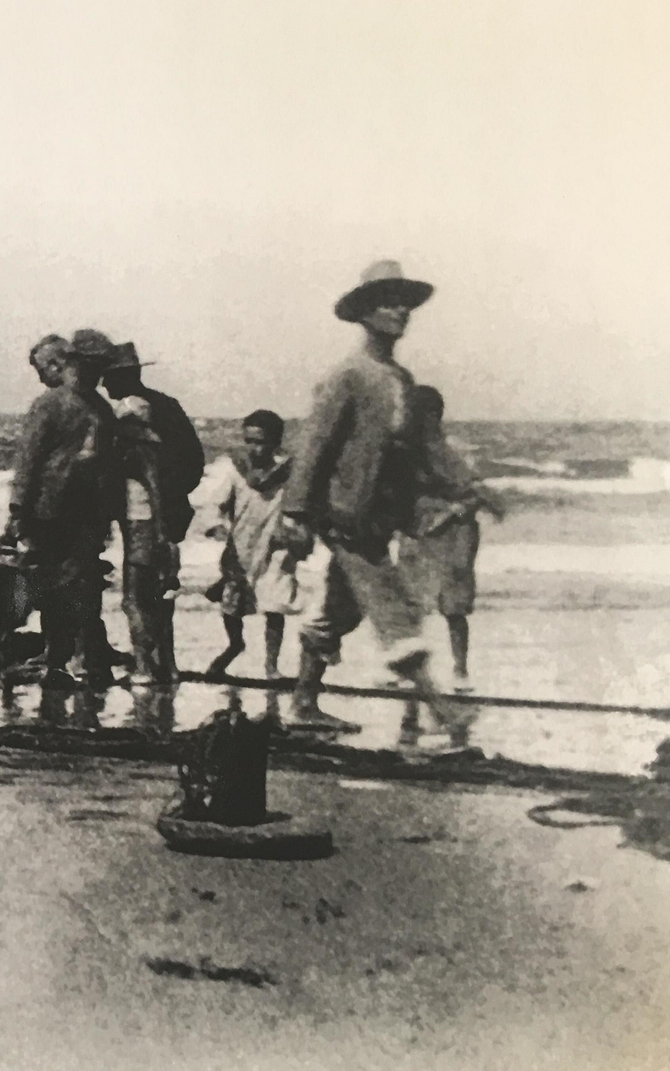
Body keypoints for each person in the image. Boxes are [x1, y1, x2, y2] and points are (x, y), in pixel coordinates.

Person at [276, 260, 477, 739]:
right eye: (389, 302)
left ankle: (304, 702)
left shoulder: (402, 380)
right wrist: (296, 513)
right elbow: (314, 446)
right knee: (393, 607)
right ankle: (443, 710)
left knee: (341, 610)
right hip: (344, 513)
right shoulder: (347, 375)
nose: (401, 311)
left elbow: (411, 453)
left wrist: (458, 490)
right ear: (365, 312)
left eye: (405, 303)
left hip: (377, 517)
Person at [7, 329, 124, 691]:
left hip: (87, 514)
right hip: (48, 510)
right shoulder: (51, 403)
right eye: (90, 366)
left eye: (101, 368)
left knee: (83, 586)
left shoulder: (101, 409)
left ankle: (79, 659)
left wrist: (109, 514)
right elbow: (29, 459)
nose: (96, 374)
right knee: (51, 585)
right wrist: (17, 511)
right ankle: (57, 658)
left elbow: (109, 466)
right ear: (73, 362)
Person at [100, 340, 206, 686]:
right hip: (170, 512)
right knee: (160, 594)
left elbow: (148, 472)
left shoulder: (131, 411)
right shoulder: (168, 406)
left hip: (144, 514)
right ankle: (168, 665)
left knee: (134, 596)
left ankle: (144, 667)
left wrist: (158, 518)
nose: (103, 385)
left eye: (108, 377)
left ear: (124, 376)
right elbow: (194, 463)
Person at [397, 385, 505, 690]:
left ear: (433, 416)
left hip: (456, 532)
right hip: (418, 528)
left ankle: (460, 670)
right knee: (410, 603)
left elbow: (480, 493)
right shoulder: (406, 453)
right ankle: (410, 673)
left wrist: (455, 509)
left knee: (454, 606)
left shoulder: (455, 450)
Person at [198, 409, 297, 679]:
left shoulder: (289, 471)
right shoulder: (236, 469)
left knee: (275, 605)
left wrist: (297, 529)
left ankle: (272, 666)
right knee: (234, 605)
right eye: (249, 441)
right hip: (241, 548)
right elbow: (215, 503)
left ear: (276, 441)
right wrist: (215, 525)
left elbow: (301, 504)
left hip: (276, 547)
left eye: (261, 441)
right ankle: (234, 645)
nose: (255, 448)